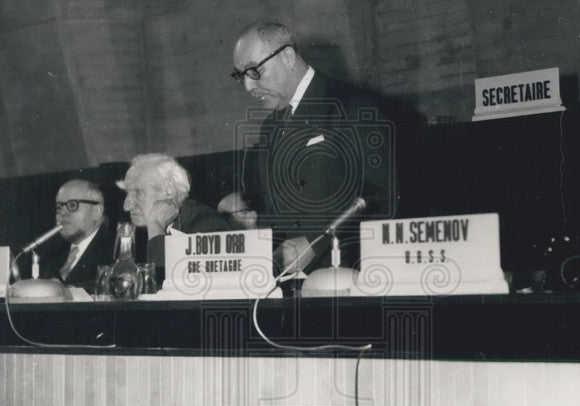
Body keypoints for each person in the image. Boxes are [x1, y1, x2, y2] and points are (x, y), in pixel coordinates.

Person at [231, 20, 396, 274]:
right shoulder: (269, 128)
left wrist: (316, 244)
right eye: (240, 75)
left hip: (347, 283)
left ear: (287, 56)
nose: (248, 86)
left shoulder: (353, 105)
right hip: (287, 289)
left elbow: (381, 195)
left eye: (253, 71)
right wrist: (251, 224)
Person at [116, 153, 233, 278]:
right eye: (127, 193)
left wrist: (155, 227)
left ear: (169, 190)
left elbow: (165, 286)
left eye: (138, 192)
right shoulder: (138, 234)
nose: (126, 206)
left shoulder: (208, 223)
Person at [37, 179, 115, 293]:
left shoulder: (115, 251)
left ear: (97, 211)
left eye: (72, 205)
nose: (62, 213)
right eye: (59, 207)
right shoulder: (51, 252)